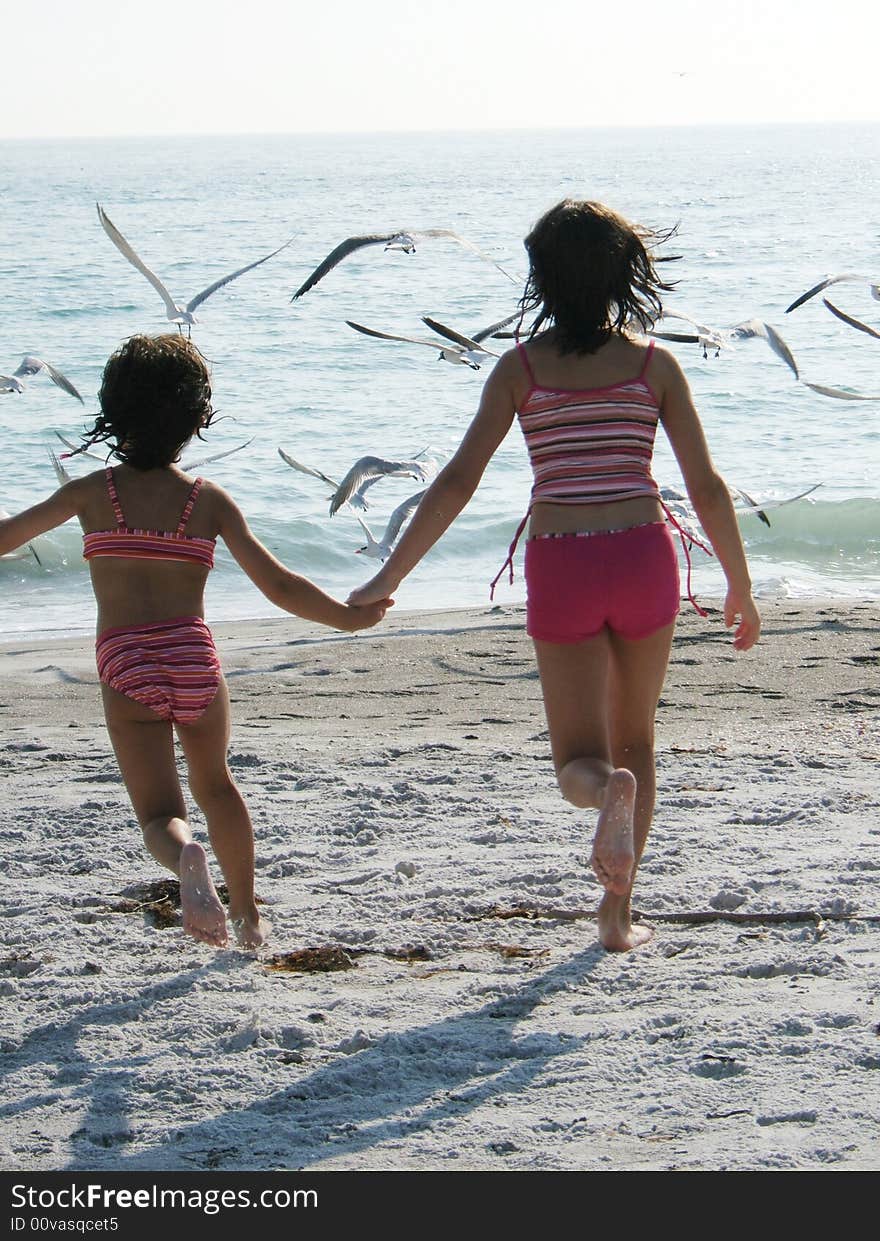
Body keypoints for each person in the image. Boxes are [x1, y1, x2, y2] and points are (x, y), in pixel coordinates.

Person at [348, 199, 760, 952]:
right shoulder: (653, 364)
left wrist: (389, 575)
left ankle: (605, 795)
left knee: (580, 758)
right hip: (642, 554)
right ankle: (616, 913)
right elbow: (706, 486)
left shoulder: (520, 370)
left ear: (542, 279)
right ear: (620, 275)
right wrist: (740, 582)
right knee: (635, 735)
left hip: (565, 561)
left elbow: (454, 484)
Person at [0, 334, 391, 951]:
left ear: (112, 408)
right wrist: (347, 617)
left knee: (159, 814)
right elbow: (280, 585)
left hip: (125, 660)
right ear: (195, 419)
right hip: (192, 655)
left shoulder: (90, 494)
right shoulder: (206, 501)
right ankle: (248, 918)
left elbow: (4, 537)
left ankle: (186, 859)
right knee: (217, 785)